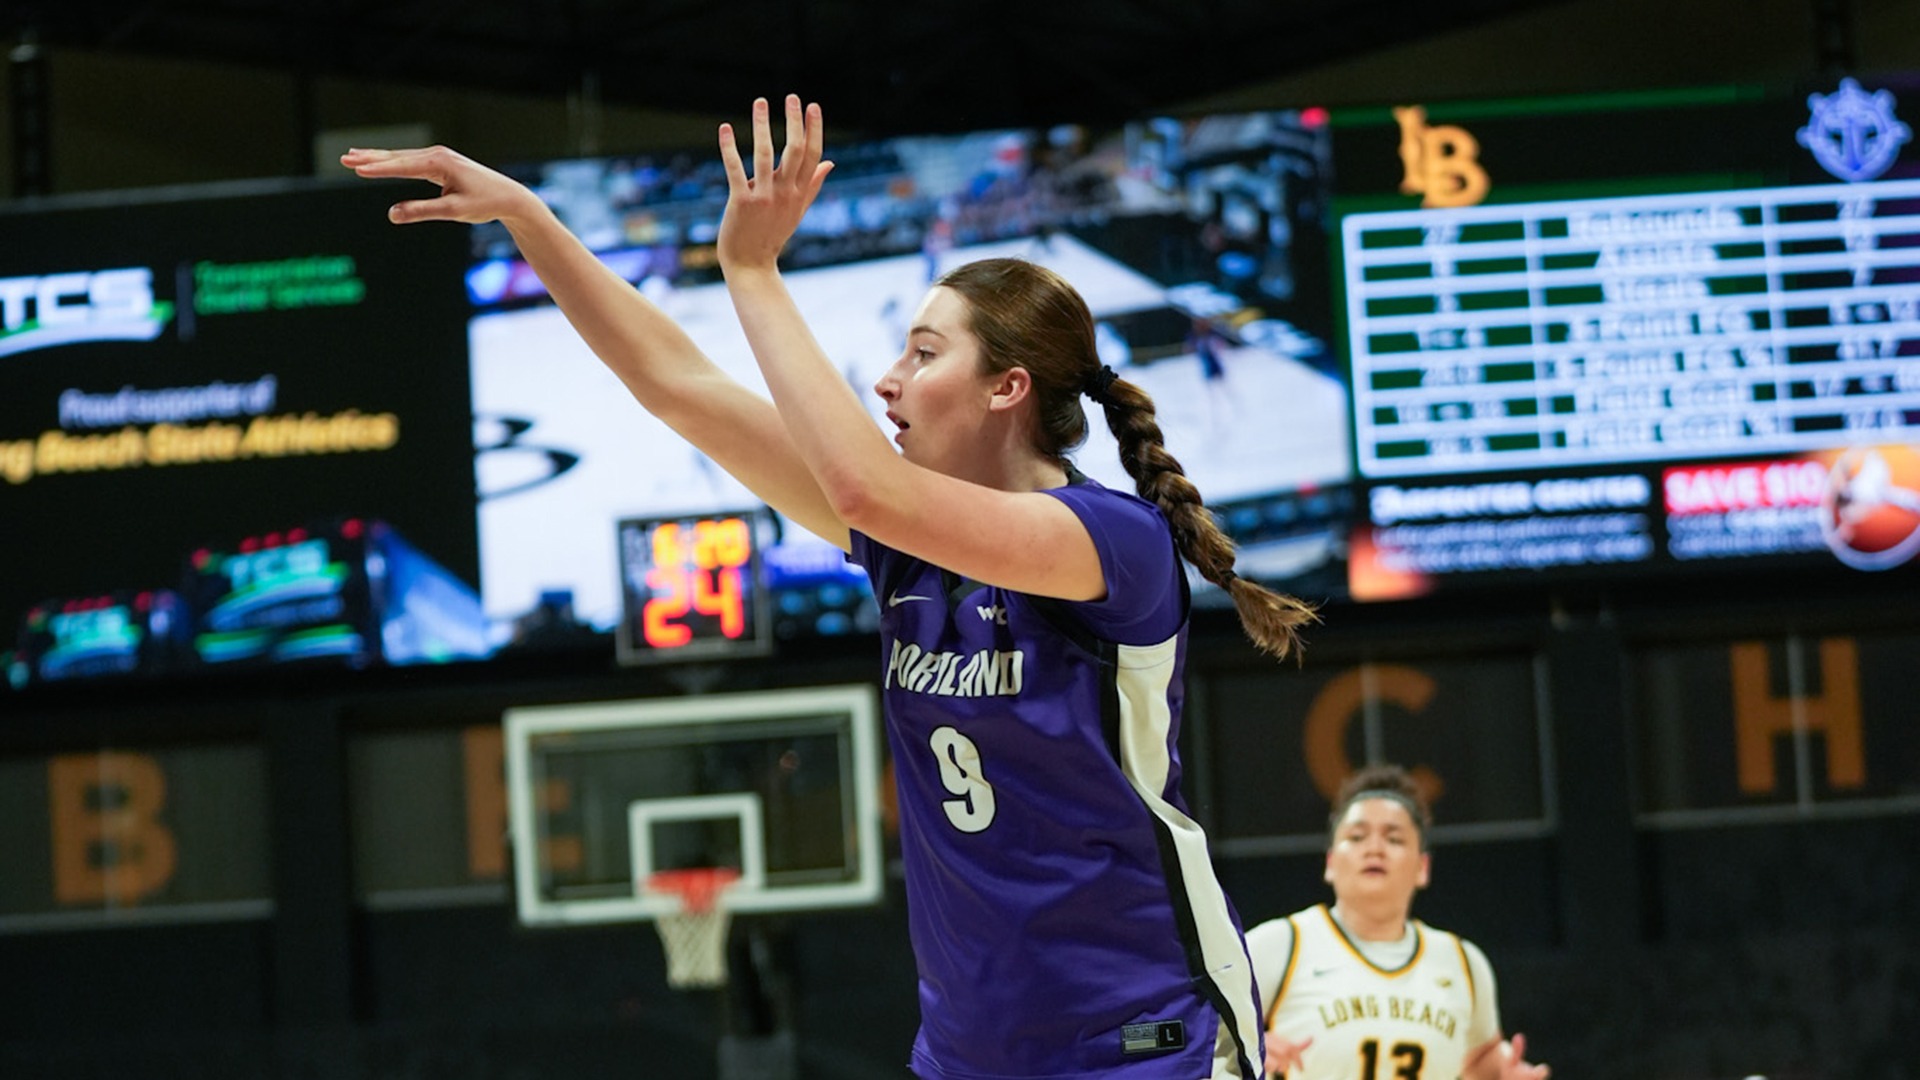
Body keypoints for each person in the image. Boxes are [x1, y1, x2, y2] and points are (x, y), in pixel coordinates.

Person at [344, 94, 1317, 1080]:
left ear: (1009, 388)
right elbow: (678, 384)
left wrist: (752, 270)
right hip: (970, 1049)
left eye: (924, 353)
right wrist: (530, 217)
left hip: (1139, 1035)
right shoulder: (906, 545)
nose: (889, 380)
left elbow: (866, 487)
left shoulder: (1112, 542)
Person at [1243, 764, 1549, 1080]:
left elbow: (1482, 1067)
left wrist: (1505, 1075)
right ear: (1331, 862)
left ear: (1422, 867)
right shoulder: (1277, 946)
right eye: (1357, 836)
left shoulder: (1463, 962)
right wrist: (1244, 1053)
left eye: (1394, 839)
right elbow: (1200, 1041)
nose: (1374, 848)